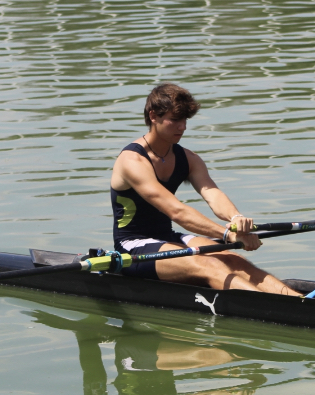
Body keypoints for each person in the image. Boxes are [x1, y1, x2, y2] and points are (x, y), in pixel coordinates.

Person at [109, 83, 301, 295]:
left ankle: (300, 301)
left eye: (185, 120)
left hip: (168, 237)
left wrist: (236, 219)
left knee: (234, 260)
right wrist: (227, 233)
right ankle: (278, 308)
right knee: (211, 265)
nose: (182, 127)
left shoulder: (189, 159)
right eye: (175, 120)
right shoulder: (132, 160)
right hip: (133, 246)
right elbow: (176, 211)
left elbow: (213, 194)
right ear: (153, 116)